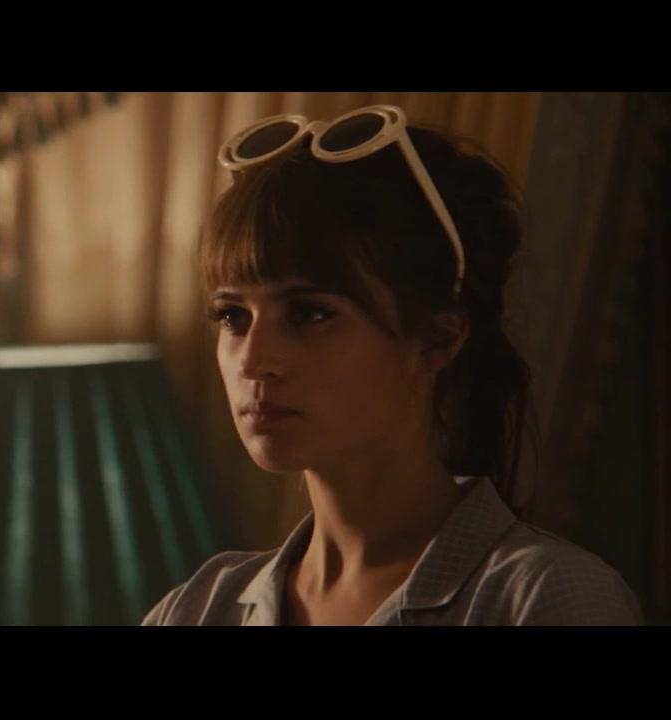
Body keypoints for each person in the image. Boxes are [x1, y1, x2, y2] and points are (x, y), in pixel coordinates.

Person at [141, 104, 645, 626]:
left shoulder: (543, 598)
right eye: (232, 316)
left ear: (435, 339)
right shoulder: (197, 609)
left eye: (310, 313)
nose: (252, 360)